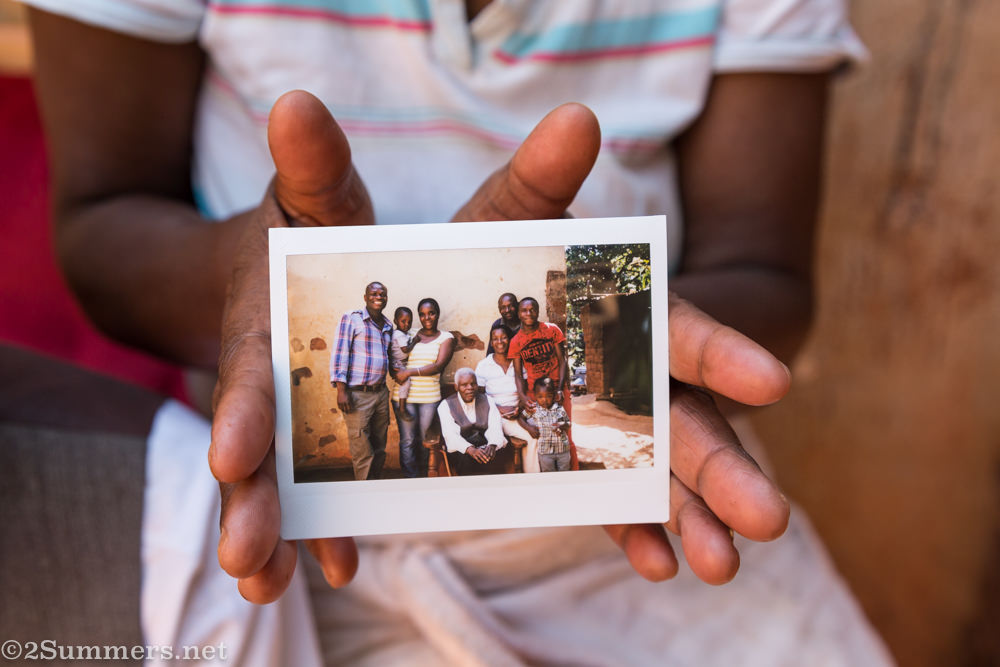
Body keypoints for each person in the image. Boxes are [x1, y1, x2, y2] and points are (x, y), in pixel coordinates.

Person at [24, 1, 893, 664]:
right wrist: (269, 292)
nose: (437, 315)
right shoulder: (422, 358)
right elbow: (103, 219)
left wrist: (615, 351)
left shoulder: (504, 358)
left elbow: (761, 261)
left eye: (445, 309)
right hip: (298, 516)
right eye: (428, 308)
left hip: (635, 493)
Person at [329, 281, 392, 481]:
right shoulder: (352, 319)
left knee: (380, 447)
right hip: (357, 394)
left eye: (382, 294)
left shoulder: (388, 325)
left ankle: (374, 485)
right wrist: (341, 390)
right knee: (362, 450)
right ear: (365, 297)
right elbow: (340, 352)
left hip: (381, 393)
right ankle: (364, 492)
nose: (378, 297)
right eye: (373, 293)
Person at [508, 296, 579, 469]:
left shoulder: (551, 330)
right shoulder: (516, 341)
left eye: (532, 309)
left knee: (564, 434)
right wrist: (524, 397)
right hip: (536, 394)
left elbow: (562, 361)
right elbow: (518, 375)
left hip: (557, 390)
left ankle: (573, 473)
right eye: (524, 310)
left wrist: (561, 388)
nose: (528, 313)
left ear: (538, 311)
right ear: (518, 313)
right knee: (544, 435)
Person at [390, 297, 455, 478]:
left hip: (429, 399)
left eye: (431, 313)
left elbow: (438, 366)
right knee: (408, 441)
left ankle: (426, 480)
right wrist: (392, 369)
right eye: (422, 314)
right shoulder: (410, 333)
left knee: (426, 440)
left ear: (437, 314)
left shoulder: (446, 338)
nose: (427, 318)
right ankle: (410, 479)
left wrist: (408, 373)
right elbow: (393, 351)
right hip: (404, 396)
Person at [475, 322, 541, 473]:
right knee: (532, 436)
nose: (500, 342)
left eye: (504, 338)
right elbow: (479, 398)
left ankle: (544, 470)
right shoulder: (484, 365)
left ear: (510, 340)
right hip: (496, 415)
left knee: (543, 427)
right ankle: (533, 478)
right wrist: (499, 409)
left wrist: (520, 407)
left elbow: (524, 391)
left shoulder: (518, 363)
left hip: (519, 412)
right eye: (495, 339)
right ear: (491, 342)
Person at [437, 367, 509, 476]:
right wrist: (471, 450)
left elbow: (495, 427)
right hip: (462, 450)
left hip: (484, 444)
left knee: (495, 455)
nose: (470, 388)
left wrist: (492, 445)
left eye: (473, 384)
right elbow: (451, 435)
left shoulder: (487, 400)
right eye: (464, 385)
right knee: (465, 461)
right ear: (456, 387)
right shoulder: (446, 405)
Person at [523, 376, 572, 473]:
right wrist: (529, 428)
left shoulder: (559, 408)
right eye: (540, 396)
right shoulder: (533, 409)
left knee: (565, 475)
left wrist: (561, 425)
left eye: (548, 396)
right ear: (535, 395)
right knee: (548, 475)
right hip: (545, 452)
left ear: (554, 395)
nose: (544, 400)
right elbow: (521, 418)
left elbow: (568, 424)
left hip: (563, 450)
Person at [389, 305, 417, 422]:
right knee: (406, 383)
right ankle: (401, 409)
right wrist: (415, 341)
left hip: (401, 362)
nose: (407, 324)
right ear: (396, 321)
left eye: (409, 322)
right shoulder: (399, 334)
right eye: (403, 321)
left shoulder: (403, 333)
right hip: (398, 363)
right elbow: (405, 349)